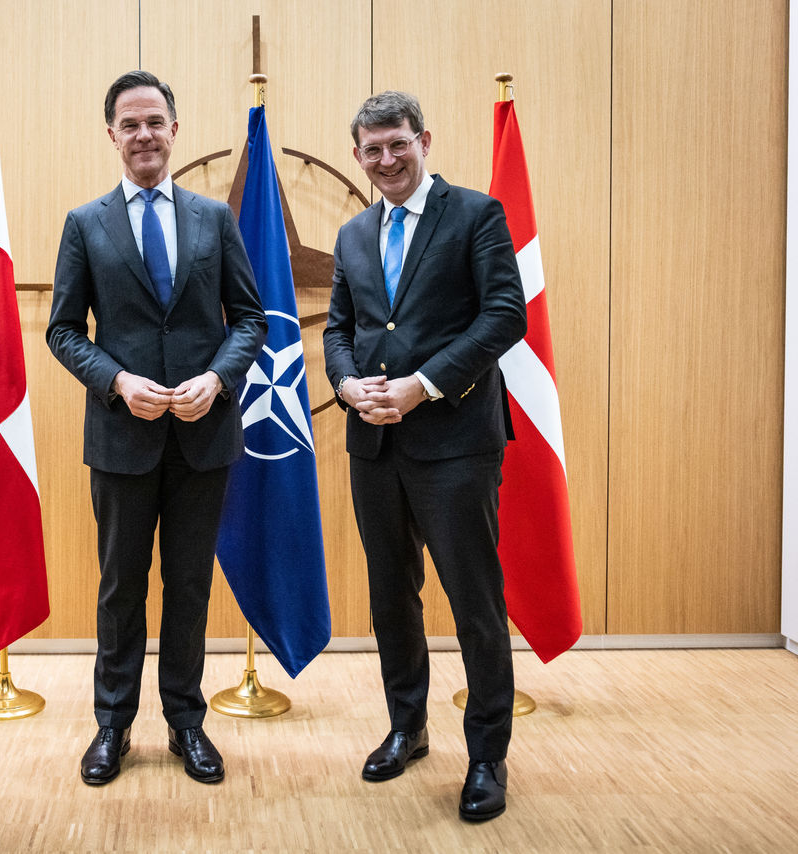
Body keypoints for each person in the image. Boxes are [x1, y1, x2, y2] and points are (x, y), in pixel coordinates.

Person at [46, 70, 266, 786]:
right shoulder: (85, 223)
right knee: (120, 587)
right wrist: (115, 380)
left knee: (190, 585)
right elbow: (62, 331)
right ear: (112, 135)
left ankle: (185, 722)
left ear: (176, 129)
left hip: (203, 437)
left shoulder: (214, 219)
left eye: (155, 122)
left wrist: (217, 378)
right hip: (121, 438)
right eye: (129, 124)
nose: (144, 134)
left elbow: (252, 319)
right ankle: (112, 725)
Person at [323, 91, 527, 822]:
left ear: (424, 140)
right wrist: (346, 382)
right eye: (371, 150)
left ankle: (487, 756)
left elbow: (506, 315)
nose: (386, 160)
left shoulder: (476, 215)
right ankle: (407, 727)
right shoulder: (351, 234)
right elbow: (339, 328)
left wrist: (422, 386)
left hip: (456, 443)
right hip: (374, 443)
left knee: (475, 603)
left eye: (397, 145)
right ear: (358, 155)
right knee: (391, 599)